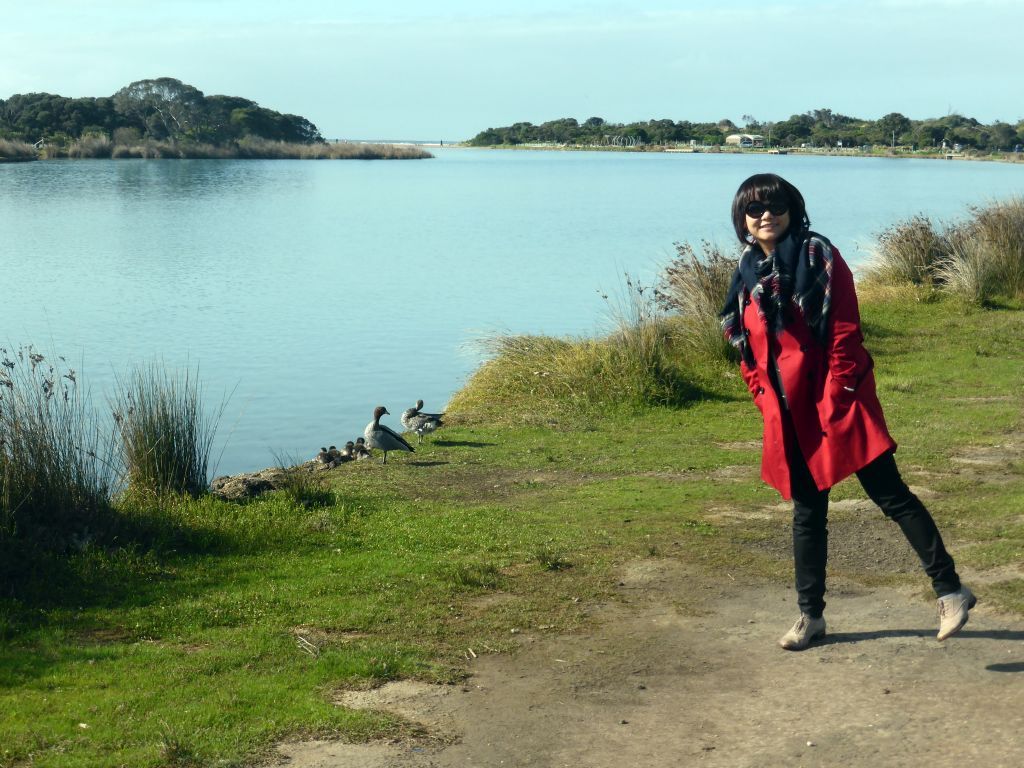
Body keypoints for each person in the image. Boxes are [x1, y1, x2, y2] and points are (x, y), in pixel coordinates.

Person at [719, 173, 975, 650]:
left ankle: (950, 590)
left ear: (793, 209)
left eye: (774, 205)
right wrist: (759, 391)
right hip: (787, 413)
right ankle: (810, 617)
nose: (765, 216)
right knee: (807, 513)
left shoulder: (819, 256)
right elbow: (747, 350)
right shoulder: (747, 271)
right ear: (743, 221)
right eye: (754, 210)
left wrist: (839, 392)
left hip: (835, 402)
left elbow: (844, 331)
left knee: (890, 494)